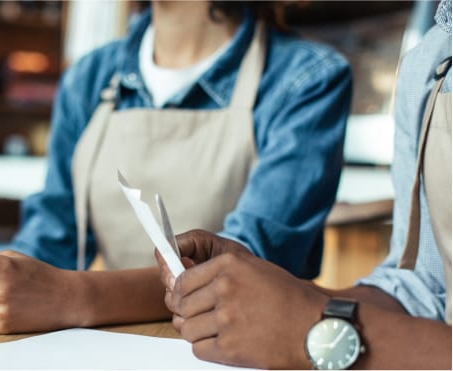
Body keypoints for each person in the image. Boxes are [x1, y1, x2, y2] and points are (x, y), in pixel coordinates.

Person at [0, 1, 351, 334]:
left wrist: (71, 296)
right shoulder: (93, 76)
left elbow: (257, 265)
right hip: (111, 343)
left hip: (243, 346)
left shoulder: (306, 78)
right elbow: (49, 243)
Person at [156, 1, 452, 368]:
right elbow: (422, 290)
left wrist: (317, 328)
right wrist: (288, 299)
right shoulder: (433, 56)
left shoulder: (309, 75)